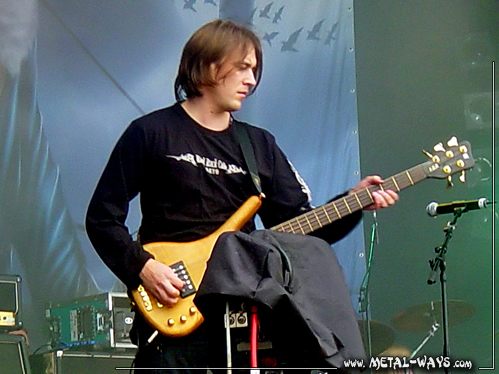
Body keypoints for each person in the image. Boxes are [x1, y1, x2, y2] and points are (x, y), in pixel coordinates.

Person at [86, 19, 398, 373]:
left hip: (244, 320)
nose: (251, 80)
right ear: (207, 65)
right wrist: (144, 267)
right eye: (242, 68)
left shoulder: (258, 145)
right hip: (173, 313)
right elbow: (101, 220)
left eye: (254, 70)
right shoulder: (150, 133)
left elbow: (299, 230)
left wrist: (354, 201)